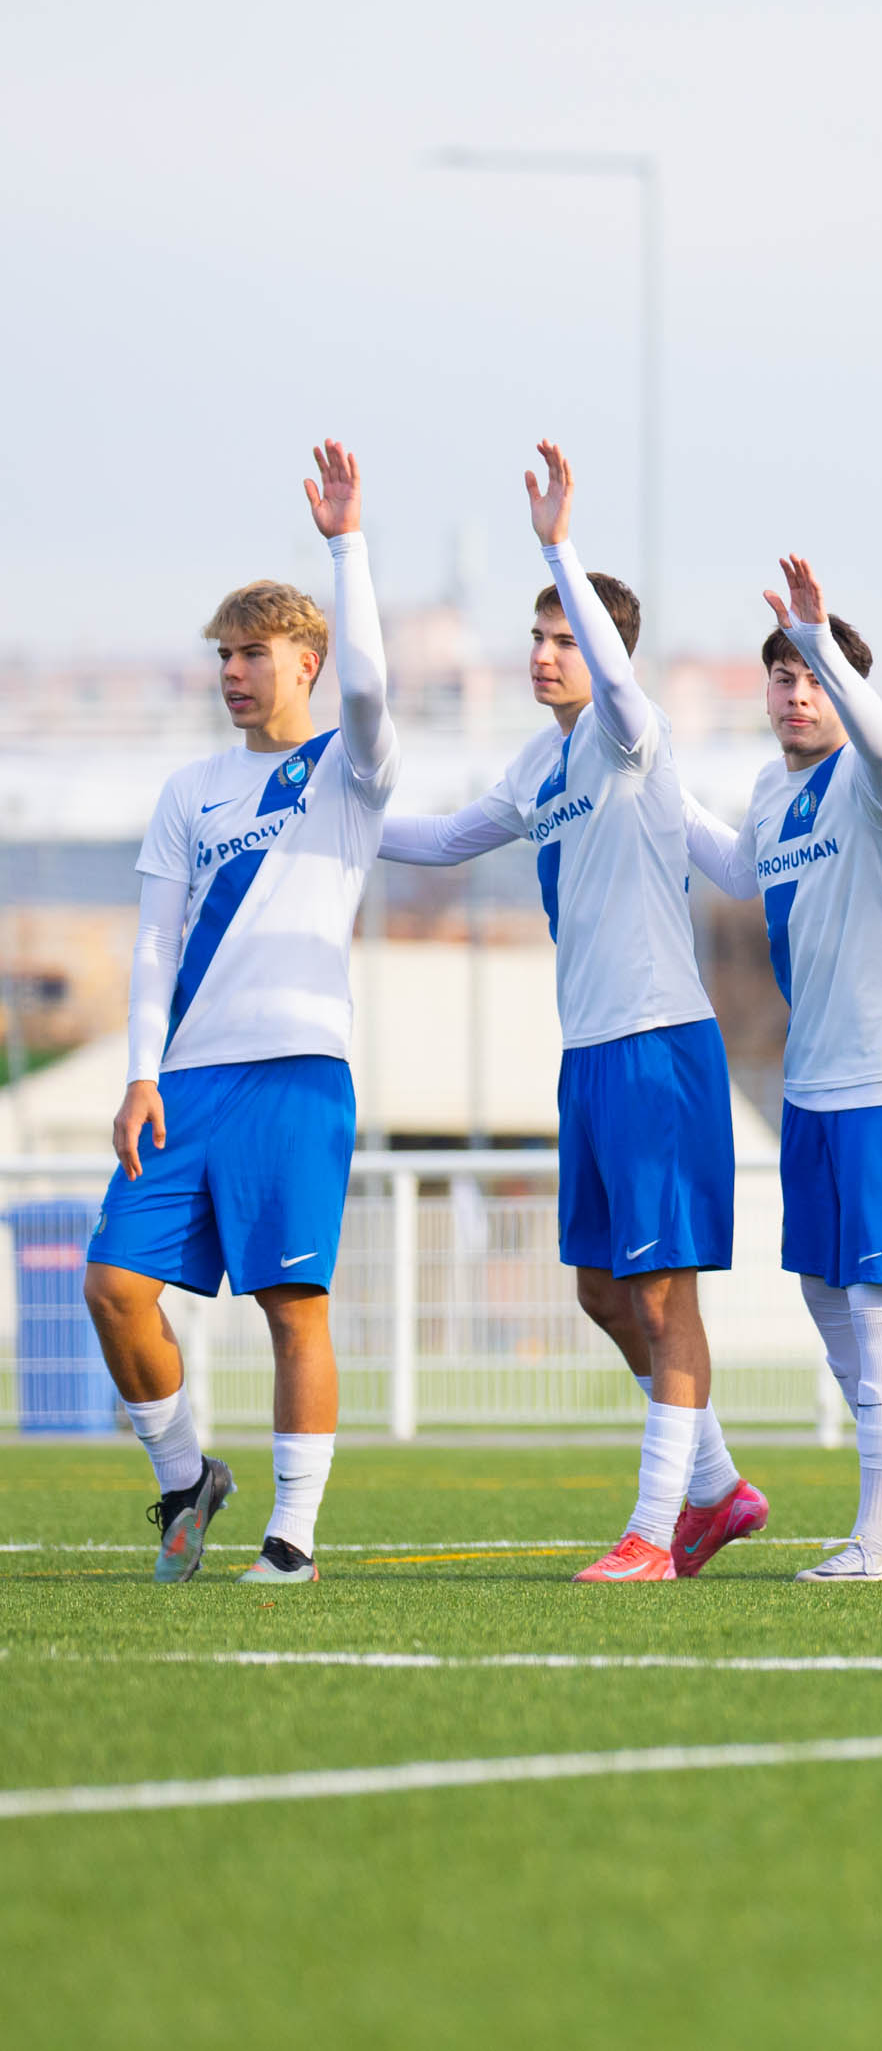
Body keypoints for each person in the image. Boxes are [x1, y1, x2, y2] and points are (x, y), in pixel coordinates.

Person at [376, 442, 765, 1581]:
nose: (545, 658)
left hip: (657, 1048)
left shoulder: (632, 738)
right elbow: (444, 840)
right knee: (600, 1290)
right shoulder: (538, 769)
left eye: (565, 639)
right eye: (537, 638)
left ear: (605, 656)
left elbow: (625, 693)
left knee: (659, 1288)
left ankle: (655, 1530)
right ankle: (715, 1486)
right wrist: (331, 816)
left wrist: (559, 544)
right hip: (589, 1056)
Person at [85, 441, 396, 1584]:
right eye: (223, 655)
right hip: (187, 1086)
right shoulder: (189, 791)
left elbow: (370, 691)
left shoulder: (353, 768)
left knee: (288, 1303)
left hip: (298, 1075)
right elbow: (156, 940)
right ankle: (183, 1480)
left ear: (304, 662)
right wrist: (138, 1072)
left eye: (252, 654)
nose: (232, 673)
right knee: (113, 1288)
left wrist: (345, 542)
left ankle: (292, 1538)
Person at [683, 561, 882, 1581]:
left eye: (814, 677)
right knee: (821, 1292)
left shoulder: (874, 778)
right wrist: (651, 783)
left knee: (881, 1306)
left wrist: (827, 647)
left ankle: (878, 1537)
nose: (795, 693)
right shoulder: (773, 788)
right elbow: (741, 871)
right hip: (816, 1087)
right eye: (781, 676)